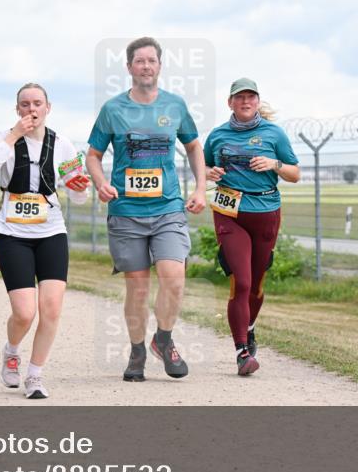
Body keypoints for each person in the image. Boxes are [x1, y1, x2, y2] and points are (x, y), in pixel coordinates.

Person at [85, 37, 207, 382]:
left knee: (175, 280)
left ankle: (163, 340)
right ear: (129, 68)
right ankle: (137, 351)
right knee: (137, 289)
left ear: (160, 66)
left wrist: (199, 188)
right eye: (139, 61)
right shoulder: (113, 109)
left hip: (168, 207)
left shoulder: (175, 105)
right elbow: (93, 155)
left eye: (152, 61)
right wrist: (100, 183)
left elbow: (194, 146)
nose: (146, 66)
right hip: (126, 212)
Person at [0, 83, 90, 399]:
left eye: (37, 103)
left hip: (51, 231)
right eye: (24, 104)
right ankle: (11, 350)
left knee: (51, 308)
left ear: (48, 108)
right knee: (25, 312)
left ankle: (35, 376)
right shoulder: (5, 140)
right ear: (17, 110)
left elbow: (79, 195)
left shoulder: (63, 144)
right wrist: (13, 135)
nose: (31, 110)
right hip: (13, 233)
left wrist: (80, 186)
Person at [205, 78, 300, 375]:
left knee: (256, 285)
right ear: (230, 103)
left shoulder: (274, 134)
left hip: (266, 211)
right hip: (229, 212)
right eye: (239, 97)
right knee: (241, 282)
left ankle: (250, 327)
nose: (245, 102)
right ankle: (242, 352)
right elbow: (202, 168)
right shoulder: (217, 135)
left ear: (258, 102)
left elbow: (295, 173)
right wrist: (210, 172)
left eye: (251, 97)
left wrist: (274, 165)